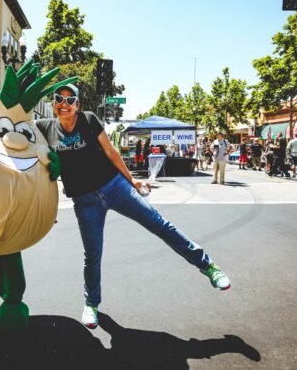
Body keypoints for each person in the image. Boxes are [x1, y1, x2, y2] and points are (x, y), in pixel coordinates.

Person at [36, 84, 230, 330]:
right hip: (85, 201)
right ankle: (91, 303)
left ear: (77, 104)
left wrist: (133, 181)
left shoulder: (88, 120)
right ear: (53, 102)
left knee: (160, 225)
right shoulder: (44, 128)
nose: (64, 104)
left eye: (70, 99)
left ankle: (208, 266)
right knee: (92, 256)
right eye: (59, 99)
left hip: (115, 187)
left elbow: (111, 152)